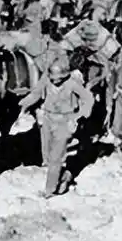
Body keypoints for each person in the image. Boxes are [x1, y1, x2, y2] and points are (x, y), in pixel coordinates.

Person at [19, 52, 94, 198]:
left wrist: (78, 117)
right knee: (46, 156)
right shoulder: (46, 81)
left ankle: (50, 190)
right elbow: (35, 94)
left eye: (59, 79)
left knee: (55, 158)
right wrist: (22, 104)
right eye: (53, 79)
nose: (55, 82)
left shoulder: (72, 84)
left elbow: (88, 99)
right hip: (47, 120)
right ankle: (65, 175)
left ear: (65, 76)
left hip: (64, 122)